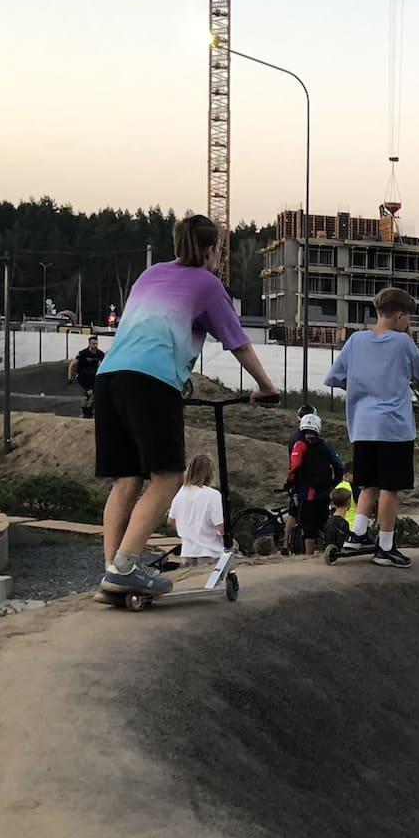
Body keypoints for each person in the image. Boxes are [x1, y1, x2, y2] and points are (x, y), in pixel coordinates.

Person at [93, 214, 279, 598]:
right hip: (151, 379)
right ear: (213, 250)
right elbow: (238, 342)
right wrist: (266, 386)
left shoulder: (151, 275)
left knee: (127, 479)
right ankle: (126, 566)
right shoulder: (207, 284)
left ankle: (112, 571)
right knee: (168, 477)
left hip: (109, 376)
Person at [324, 287, 419, 568]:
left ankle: (357, 534)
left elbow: (334, 377)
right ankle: (385, 546)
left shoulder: (356, 341)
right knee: (390, 488)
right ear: (399, 315)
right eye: (408, 319)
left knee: (368, 482)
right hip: (393, 427)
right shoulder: (402, 342)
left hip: (362, 425)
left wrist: (360, 386)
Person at [288, 412, 344, 553]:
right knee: (322, 523)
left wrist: (290, 483)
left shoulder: (300, 445)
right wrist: (334, 483)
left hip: (307, 493)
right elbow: (338, 465)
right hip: (324, 491)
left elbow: (295, 466)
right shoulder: (326, 446)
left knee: (308, 527)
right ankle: (322, 552)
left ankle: (309, 557)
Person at [168, 454, 227, 566]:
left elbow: (171, 520)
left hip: (187, 551)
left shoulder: (181, 493)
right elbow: (220, 525)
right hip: (210, 551)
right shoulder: (213, 495)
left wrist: (187, 532)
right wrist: (230, 541)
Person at [69, 334, 105, 417]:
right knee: (91, 393)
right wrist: (70, 378)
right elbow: (72, 364)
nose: (95, 346)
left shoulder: (100, 354)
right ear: (89, 344)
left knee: (90, 396)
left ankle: (86, 412)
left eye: (96, 344)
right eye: (93, 344)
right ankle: (86, 412)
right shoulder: (83, 353)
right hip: (83, 376)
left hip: (93, 377)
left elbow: (101, 365)